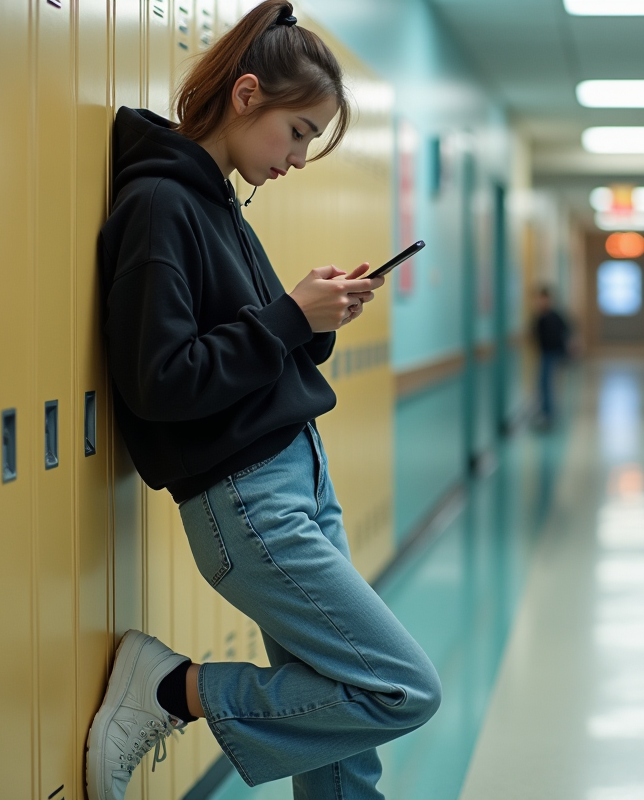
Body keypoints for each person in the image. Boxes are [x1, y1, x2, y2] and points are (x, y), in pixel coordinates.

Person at [88, 4, 441, 799]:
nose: (301, 156)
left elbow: (251, 347)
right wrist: (288, 317)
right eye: (300, 131)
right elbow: (162, 379)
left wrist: (314, 319)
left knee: (342, 741)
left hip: (298, 480)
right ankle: (171, 690)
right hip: (247, 499)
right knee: (398, 688)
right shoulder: (161, 207)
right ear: (247, 95)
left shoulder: (221, 204)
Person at [533, 286, 570, 427]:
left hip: (553, 354)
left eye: (543, 299)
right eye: (539, 299)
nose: (541, 302)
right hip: (544, 354)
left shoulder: (554, 316)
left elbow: (566, 332)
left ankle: (549, 414)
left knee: (547, 384)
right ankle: (546, 412)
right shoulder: (540, 316)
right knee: (543, 384)